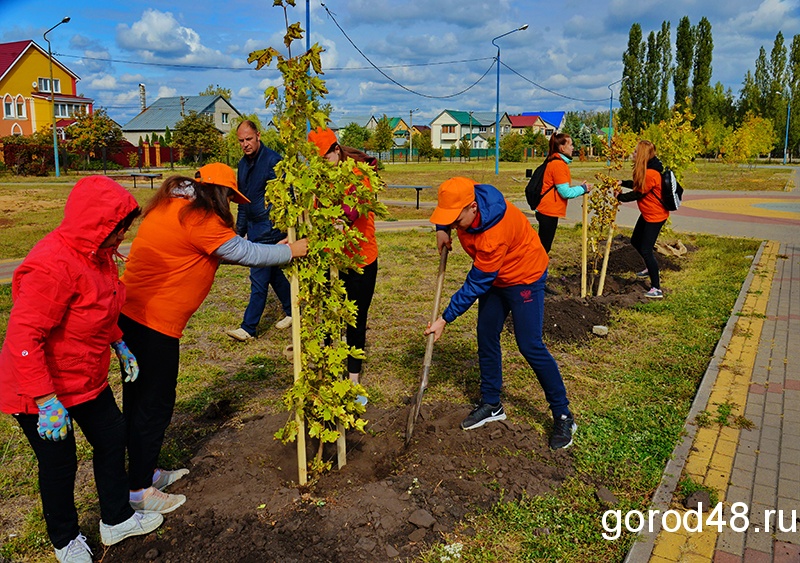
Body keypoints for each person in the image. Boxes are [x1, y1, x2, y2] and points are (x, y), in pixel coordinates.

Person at [119, 163, 308, 514]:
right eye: (230, 197)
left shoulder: (174, 205)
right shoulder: (198, 219)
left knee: (139, 402)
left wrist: (281, 248)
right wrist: (292, 252)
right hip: (152, 324)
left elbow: (232, 248)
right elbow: (245, 253)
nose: (232, 205)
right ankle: (139, 489)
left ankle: (146, 472)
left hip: (135, 318)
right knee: (153, 406)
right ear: (218, 193)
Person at [0, 176, 163, 563]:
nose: (122, 235)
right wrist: (45, 399)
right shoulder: (52, 264)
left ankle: (116, 518)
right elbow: (23, 338)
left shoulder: (99, 255)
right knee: (59, 462)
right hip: (38, 386)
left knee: (111, 437)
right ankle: (64, 539)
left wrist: (119, 342)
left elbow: (99, 306)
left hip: (83, 377)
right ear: (95, 225)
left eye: (124, 227)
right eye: (117, 228)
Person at [424, 177, 577, 450]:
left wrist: (445, 318)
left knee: (529, 345)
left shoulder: (494, 234)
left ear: (473, 208)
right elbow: (451, 209)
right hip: (496, 277)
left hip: (524, 276)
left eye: (456, 221)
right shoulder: (467, 198)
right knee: (486, 334)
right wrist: (441, 228)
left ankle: (563, 414)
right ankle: (492, 403)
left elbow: (475, 284)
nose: (454, 225)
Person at [308, 127, 378, 406]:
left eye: (323, 159)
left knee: (355, 320)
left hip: (359, 259)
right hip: (329, 258)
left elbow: (357, 206)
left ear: (336, 150)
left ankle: (353, 383)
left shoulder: (359, 174)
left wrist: (341, 219)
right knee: (326, 319)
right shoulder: (317, 178)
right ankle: (327, 377)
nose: (321, 166)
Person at [226, 120, 293, 342]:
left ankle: (248, 328)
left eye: (249, 139)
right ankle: (293, 310)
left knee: (258, 277)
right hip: (254, 228)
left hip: (270, 228)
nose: (245, 144)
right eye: (241, 141)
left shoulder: (274, 161)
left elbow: (286, 198)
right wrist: (239, 232)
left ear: (258, 136)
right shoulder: (242, 165)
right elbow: (243, 202)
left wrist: (285, 229)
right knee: (272, 273)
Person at [616, 140, 668, 299]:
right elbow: (638, 185)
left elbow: (638, 193)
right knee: (635, 241)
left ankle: (656, 288)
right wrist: (622, 183)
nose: (633, 154)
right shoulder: (647, 169)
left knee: (646, 248)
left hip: (655, 216)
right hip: (648, 214)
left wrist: (619, 197)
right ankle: (649, 266)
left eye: (636, 152)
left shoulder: (652, 173)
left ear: (643, 155)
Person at [535, 133, 592, 255]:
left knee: (543, 246)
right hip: (548, 211)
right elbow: (565, 192)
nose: (572, 148)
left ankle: (535, 270)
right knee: (543, 249)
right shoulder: (558, 165)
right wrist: (583, 189)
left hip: (548, 210)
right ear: (562, 148)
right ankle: (535, 272)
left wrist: (580, 188)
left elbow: (562, 188)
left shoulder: (556, 162)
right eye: (570, 144)